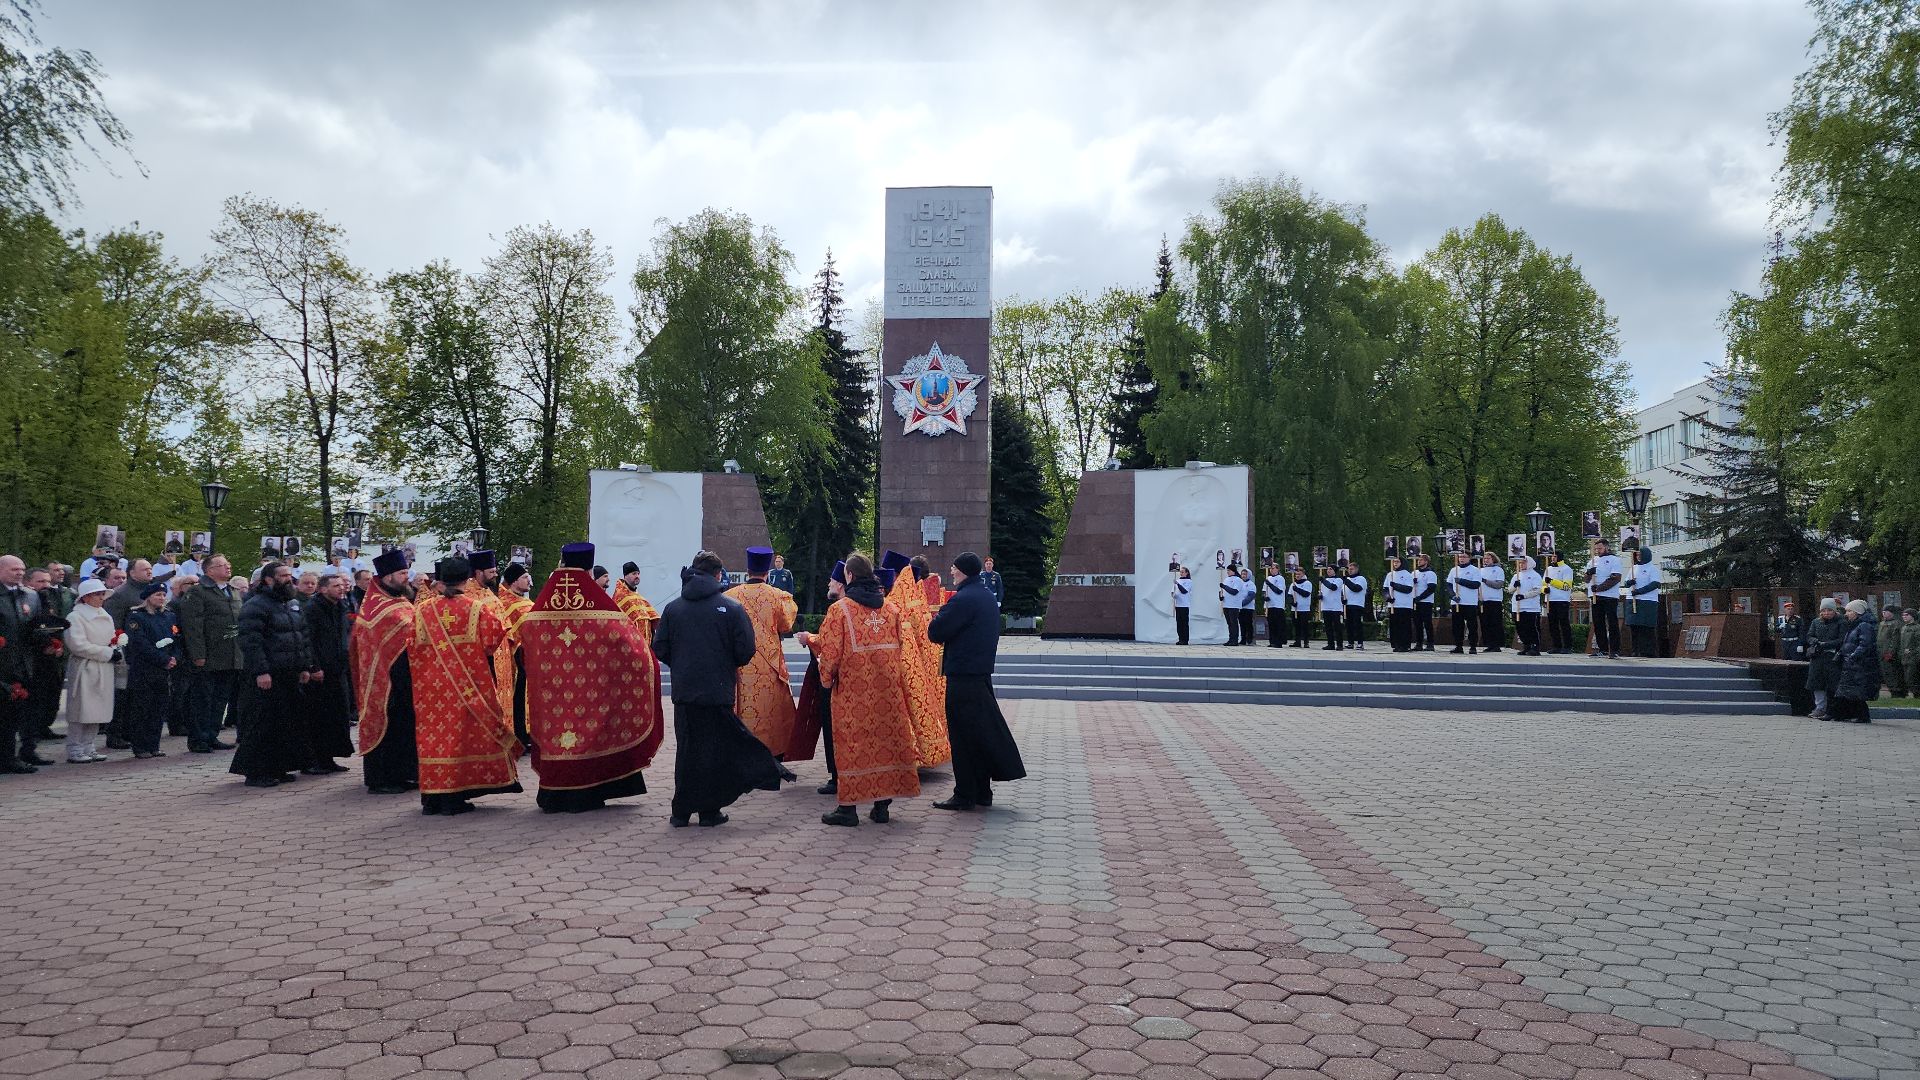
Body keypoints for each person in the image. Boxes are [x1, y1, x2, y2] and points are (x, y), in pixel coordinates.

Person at [516, 543, 663, 813]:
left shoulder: (544, 602)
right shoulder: (598, 603)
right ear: (588, 567)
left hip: (553, 692)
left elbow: (524, 640)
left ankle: (554, 793)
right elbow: (630, 645)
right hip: (590, 690)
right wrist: (645, 663)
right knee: (590, 733)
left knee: (557, 735)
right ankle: (589, 790)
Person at [654, 550, 784, 827]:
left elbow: (660, 647)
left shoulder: (673, 608)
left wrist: (682, 665)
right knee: (713, 750)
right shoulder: (731, 609)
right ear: (718, 575)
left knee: (687, 749)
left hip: (685, 693)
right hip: (718, 690)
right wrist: (724, 664)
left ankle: (681, 812)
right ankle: (709, 811)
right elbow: (745, 649)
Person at [806, 553, 920, 826]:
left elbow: (830, 654)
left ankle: (847, 810)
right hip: (888, 692)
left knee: (852, 745)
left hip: (852, 694)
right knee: (885, 744)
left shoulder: (840, 610)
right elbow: (902, 648)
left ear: (849, 576)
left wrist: (826, 681)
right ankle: (882, 807)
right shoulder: (891, 610)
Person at [408, 557, 523, 815]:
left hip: (431, 689)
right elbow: (493, 641)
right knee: (460, 739)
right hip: (469, 685)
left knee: (435, 738)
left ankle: (433, 798)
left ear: (441, 580)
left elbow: (411, 646)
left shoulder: (422, 610)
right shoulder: (476, 609)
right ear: (466, 579)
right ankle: (453, 798)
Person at [927, 551, 1026, 811]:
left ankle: (964, 794)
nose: (951, 571)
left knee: (962, 737)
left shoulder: (963, 599)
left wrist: (937, 616)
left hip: (962, 677)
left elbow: (935, 632)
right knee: (979, 733)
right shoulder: (986, 597)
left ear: (963, 571)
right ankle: (982, 791)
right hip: (980, 675)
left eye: (954, 567)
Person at [231, 562, 317, 789]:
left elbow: (302, 636)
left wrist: (304, 666)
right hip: (267, 674)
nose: (289, 579)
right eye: (283, 575)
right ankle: (256, 771)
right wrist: (261, 671)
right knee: (262, 723)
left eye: (290, 575)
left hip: (289, 672)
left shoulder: (291, 603)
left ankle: (278, 767)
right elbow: (251, 642)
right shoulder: (255, 605)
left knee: (285, 722)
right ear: (269, 579)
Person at [351, 550, 419, 795]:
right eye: (402, 573)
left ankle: (404, 773)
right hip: (384, 678)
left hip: (405, 676)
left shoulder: (399, 600)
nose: (406, 577)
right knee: (387, 724)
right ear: (388, 576)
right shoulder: (376, 606)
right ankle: (380, 779)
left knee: (404, 725)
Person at [728, 547, 800, 771]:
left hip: (740, 664)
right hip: (770, 663)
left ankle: (741, 756)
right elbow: (786, 625)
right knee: (771, 710)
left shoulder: (730, 596)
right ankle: (772, 756)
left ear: (748, 569)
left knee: (742, 709)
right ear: (767, 572)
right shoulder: (778, 596)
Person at [883, 551, 952, 768]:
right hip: (925, 659)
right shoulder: (916, 594)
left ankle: (910, 755)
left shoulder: (896, 599)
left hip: (907, 661)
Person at [176, 555, 242, 753]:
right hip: (208, 655)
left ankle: (212, 735)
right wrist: (198, 654)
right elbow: (193, 626)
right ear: (209, 570)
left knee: (220, 699)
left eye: (228, 564)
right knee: (203, 699)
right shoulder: (198, 592)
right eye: (222, 565)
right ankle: (198, 739)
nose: (228, 567)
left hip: (230, 654)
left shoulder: (232, 591)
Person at [790, 561, 846, 791]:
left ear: (841, 584)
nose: (828, 584)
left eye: (832, 581)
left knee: (834, 728)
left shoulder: (839, 609)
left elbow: (830, 644)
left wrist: (809, 639)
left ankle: (838, 777)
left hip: (836, 681)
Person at [299, 569, 355, 774]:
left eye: (341, 585)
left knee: (336, 716)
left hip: (338, 669)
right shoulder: (312, 609)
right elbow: (308, 640)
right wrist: (313, 666)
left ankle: (328, 757)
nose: (341, 589)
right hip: (320, 672)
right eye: (335, 586)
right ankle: (313, 760)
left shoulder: (341, 607)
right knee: (318, 718)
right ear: (323, 589)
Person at [61, 579, 120, 764]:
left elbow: (112, 637)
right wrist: (106, 653)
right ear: (85, 597)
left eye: (102, 594)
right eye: (97, 594)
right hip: (85, 667)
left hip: (104, 667)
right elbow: (77, 645)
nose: (101, 598)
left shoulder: (105, 614)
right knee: (81, 710)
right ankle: (75, 748)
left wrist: (116, 649)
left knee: (98, 711)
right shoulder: (75, 617)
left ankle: (89, 746)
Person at [0, 555, 48, 771]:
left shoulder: (30, 596)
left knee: (18, 713)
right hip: (3, 663)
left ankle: (15, 755)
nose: (19, 572)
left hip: (24, 662)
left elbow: (35, 625)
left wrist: (46, 638)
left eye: (21, 569)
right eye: (14, 569)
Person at [123, 583, 181, 758]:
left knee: (159, 708)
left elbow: (176, 638)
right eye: (158, 595)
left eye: (163, 594)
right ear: (148, 597)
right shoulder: (137, 617)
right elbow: (140, 643)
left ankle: (154, 744)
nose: (161, 598)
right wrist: (163, 659)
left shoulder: (169, 616)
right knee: (142, 708)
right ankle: (140, 746)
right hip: (144, 668)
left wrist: (174, 658)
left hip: (164, 669)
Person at [1833, 600, 1880, 724]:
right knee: (1850, 690)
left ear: (1857, 612)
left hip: (1859, 663)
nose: (1846, 614)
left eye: (1849, 611)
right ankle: (1851, 714)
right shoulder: (1855, 624)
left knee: (1857, 691)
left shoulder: (1864, 625)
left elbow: (1865, 644)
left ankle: (1862, 716)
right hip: (1852, 662)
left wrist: (1853, 656)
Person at [1806, 599, 1846, 719]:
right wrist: (1815, 641)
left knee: (1832, 684)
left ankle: (1832, 709)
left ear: (1834, 610)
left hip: (1833, 657)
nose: (1826, 613)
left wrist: (1826, 644)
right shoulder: (1816, 622)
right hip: (1817, 656)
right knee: (1817, 683)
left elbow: (1842, 639)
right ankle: (1820, 707)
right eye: (1824, 610)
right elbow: (1809, 635)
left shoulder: (1841, 622)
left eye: (1829, 610)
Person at [1587, 539, 1624, 660]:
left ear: (1607, 547)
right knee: (1598, 623)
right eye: (1596, 549)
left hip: (1609, 596)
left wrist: (1599, 588)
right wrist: (1589, 573)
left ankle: (1614, 650)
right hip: (1595, 596)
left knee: (1612, 622)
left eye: (1600, 548)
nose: (1598, 551)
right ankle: (1602, 649)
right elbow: (1586, 579)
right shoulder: (1593, 561)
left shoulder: (1614, 560)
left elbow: (1615, 578)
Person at [1625, 547, 1662, 659]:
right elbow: (1626, 582)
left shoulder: (1652, 569)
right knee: (1634, 627)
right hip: (1632, 600)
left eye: (1640, 554)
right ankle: (1635, 650)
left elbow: (1654, 584)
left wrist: (1639, 591)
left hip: (1647, 601)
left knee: (1646, 628)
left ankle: (1648, 652)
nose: (1638, 557)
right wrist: (1629, 582)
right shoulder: (1633, 568)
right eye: (1637, 555)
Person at [611, 561, 660, 641]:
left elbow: (652, 618)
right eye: (634, 574)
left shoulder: (638, 597)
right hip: (631, 643)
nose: (637, 576)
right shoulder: (620, 596)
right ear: (625, 576)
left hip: (646, 644)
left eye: (638, 573)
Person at [1446, 552, 1480, 655]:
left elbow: (1476, 584)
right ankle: (1458, 645)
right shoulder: (1454, 570)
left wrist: (1461, 581)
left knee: (1472, 625)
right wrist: (1452, 595)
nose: (1461, 559)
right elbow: (1449, 585)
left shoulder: (1475, 570)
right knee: (1457, 625)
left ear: (1469, 558)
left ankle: (1473, 646)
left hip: (1470, 602)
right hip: (1457, 602)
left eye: (1464, 557)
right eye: (1460, 557)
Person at [1510, 555, 1544, 657]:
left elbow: (1537, 590)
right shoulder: (1516, 575)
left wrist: (1524, 596)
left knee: (1530, 627)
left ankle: (1535, 646)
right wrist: (1514, 586)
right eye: (1520, 563)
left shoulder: (1535, 575)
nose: (1521, 564)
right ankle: (1526, 645)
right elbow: (1509, 590)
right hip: (1517, 606)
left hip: (1530, 606)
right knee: (1520, 627)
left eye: (1523, 562)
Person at [1544, 552, 1575, 654]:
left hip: (1562, 600)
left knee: (1564, 624)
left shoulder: (1567, 569)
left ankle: (1568, 646)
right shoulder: (1548, 569)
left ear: (1560, 557)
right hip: (1550, 600)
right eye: (1552, 556)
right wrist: (1544, 590)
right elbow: (1543, 584)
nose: (1552, 558)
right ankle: (1556, 646)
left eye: (1555, 556)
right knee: (1552, 624)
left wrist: (1552, 581)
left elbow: (1567, 586)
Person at [1478, 552, 1507, 653]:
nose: (1486, 560)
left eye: (1488, 558)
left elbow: (1498, 585)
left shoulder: (1498, 570)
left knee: (1495, 623)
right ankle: (1489, 643)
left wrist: (1485, 580)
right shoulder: (1480, 570)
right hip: (1483, 600)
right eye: (1484, 558)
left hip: (1494, 600)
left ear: (1493, 559)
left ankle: (1496, 644)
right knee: (1485, 623)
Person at [1385, 555, 1415, 652]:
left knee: (1404, 625)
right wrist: (1388, 597)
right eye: (1394, 562)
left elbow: (1408, 589)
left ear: (1402, 563)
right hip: (1393, 605)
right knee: (1394, 626)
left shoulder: (1407, 574)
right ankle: (1396, 644)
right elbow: (1385, 589)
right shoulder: (1390, 574)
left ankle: (1405, 645)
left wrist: (1396, 586)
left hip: (1404, 604)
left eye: (1397, 562)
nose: (1395, 563)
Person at [1338, 561, 1368, 650]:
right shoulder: (1346, 579)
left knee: (1357, 624)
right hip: (1347, 604)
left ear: (1357, 569)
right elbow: (1342, 592)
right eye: (1349, 569)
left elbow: (1356, 588)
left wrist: (1346, 581)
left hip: (1357, 604)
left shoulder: (1361, 579)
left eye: (1352, 569)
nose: (1350, 571)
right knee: (1348, 624)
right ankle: (1350, 642)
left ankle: (1360, 643)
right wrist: (1342, 599)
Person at [1878, 606, 1907, 697]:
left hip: (1891, 655)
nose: (1883, 613)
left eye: (1886, 611)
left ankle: (1898, 692)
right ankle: (1893, 690)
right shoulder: (1882, 623)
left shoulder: (1896, 623)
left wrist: (1890, 653)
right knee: (1887, 674)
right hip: (1882, 653)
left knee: (1894, 674)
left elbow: (1895, 641)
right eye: (1883, 612)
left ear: (1891, 613)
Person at [1414, 556, 1440, 651]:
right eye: (1418, 560)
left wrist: (1420, 597)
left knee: (1427, 623)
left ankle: (1430, 643)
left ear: (1426, 562)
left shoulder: (1431, 574)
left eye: (1421, 560)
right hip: (1415, 601)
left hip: (1426, 601)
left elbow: (1431, 589)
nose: (1419, 561)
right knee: (1417, 623)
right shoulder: (1414, 573)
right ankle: (1418, 643)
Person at [1317, 569, 1345, 651]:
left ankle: (1339, 644)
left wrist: (1323, 580)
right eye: (1328, 569)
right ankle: (1330, 644)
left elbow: (1333, 587)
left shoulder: (1338, 580)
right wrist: (1320, 596)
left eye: (1331, 569)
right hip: (1326, 606)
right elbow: (1324, 592)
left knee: (1337, 626)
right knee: (1328, 627)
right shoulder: (1324, 581)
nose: (1328, 570)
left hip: (1335, 607)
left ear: (1335, 571)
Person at [1219, 565, 1246, 646]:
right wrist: (1220, 596)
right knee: (1229, 623)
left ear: (1233, 571)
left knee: (1233, 623)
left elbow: (1234, 591)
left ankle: (1235, 640)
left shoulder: (1238, 580)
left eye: (1229, 570)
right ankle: (1230, 639)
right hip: (1226, 604)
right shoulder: (1226, 579)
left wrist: (1224, 586)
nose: (1227, 572)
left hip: (1234, 605)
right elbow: (1222, 591)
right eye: (1227, 570)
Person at [1288, 567, 1313, 647]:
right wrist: (1292, 602)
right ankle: (1297, 641)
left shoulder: (1307, 583)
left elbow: (1306, 594)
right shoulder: (1293, 584)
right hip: (1295, 609)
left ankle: (1306, 642)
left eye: (1299, 574)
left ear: (1303, 574)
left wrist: (1297, 589)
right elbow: (1289, 595)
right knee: (1296, 626)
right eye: (1296, 574)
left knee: (1304, 626)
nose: (1297, 575)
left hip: (1304, 609)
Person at [1234, 566, 1257, 646]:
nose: (1243, 576)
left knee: (1248, 624)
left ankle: (1249, 639)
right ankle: (1243, 639)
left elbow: (1250, 596)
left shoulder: (1251, 584)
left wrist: (1242, 603)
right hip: (1240, 607)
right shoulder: (1240, 583)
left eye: (1245, 574)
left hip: (1248, 607)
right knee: (1242, 624)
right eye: (1242, 574)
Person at [1900, 609, 1920, 699]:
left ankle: (1917, 695)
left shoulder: (1917, 628)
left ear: (1912, 616)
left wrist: (1913, 652)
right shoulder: (1904, 628)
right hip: (1905, 658)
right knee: (1908, 679)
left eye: (1907, 615)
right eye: (1903, 615)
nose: (1904, 617)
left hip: (1913, 658)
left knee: (1913, 678)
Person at [1173, 565, 1194, 645]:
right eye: (1180, 572)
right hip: (1178, 604)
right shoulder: (1177, 581)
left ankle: (1185, 640)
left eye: (1182, 572)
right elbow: (1173, 591)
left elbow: (1184, 591)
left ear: (1186, 573)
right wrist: (1173, 595)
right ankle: (1180, 639)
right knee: (1179, 623)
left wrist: (1178, 584)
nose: (1181, 573)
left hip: (1184, 605)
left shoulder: (1189, 581)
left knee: (1184, 623)